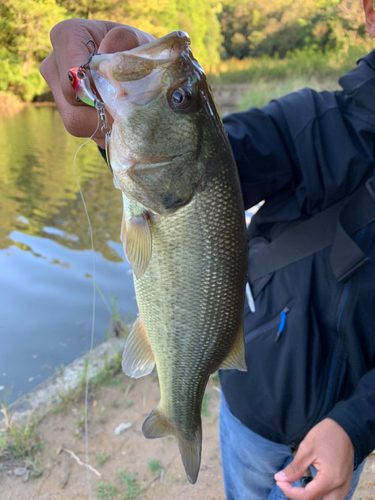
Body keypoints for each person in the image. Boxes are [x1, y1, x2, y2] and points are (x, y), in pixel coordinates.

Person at [40, 2, 375, 498]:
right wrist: (121, 108)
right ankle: (180, 411)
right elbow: (216, 154)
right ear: (369, 13)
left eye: (178, 97)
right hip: (247, 408)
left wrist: (353, 424)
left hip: (343, 433)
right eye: (180, 99)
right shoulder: (323, 121)